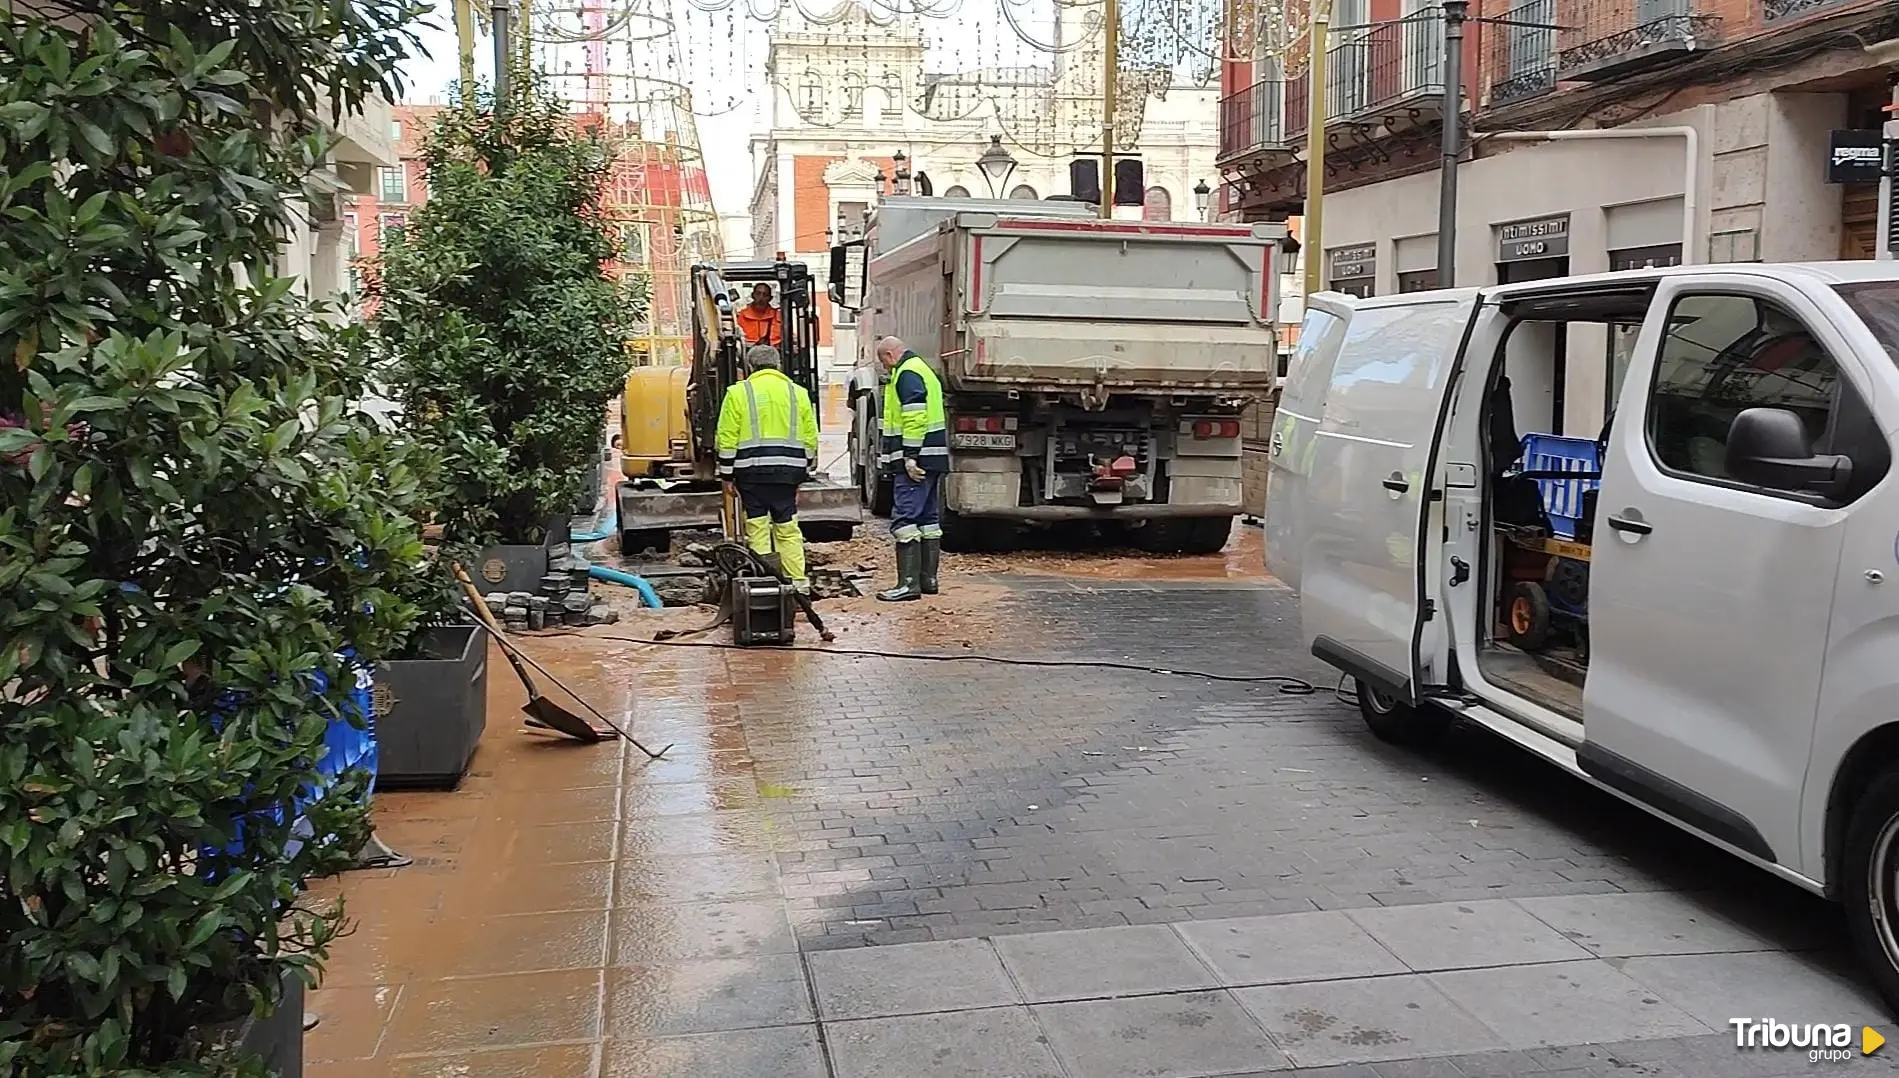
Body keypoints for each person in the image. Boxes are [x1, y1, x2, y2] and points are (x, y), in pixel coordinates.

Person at [716, 344, 819, 593]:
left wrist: (727, 475)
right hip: (788, 473)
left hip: (750, 474)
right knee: (788, 527)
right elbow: (810, 436)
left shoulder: (738, 393)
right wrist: (804, 469)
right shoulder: (798, 393)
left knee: (757, 526)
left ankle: (765, 582)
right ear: (779, 365)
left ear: (750, 367)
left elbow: (726, 437)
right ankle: (798, 583)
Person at [873, 335, 948, 602]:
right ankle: (928, 579)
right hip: (934, 456)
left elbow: (915, 415)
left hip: (917, 460)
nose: (886, 369)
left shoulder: (906, 373)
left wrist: (910, 456)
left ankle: (908, 584)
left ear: (890, 356)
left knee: (905, 519)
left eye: (884, 363)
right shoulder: (922, 370)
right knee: (928, 519)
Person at [735, 283, 782, 347]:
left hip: (774, 353)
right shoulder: (741, 316)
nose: (761, 297)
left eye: (765, 295)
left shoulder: (778, 317)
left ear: (770, 298)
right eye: (758, 294)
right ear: (752, 295)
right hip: (747, 353)